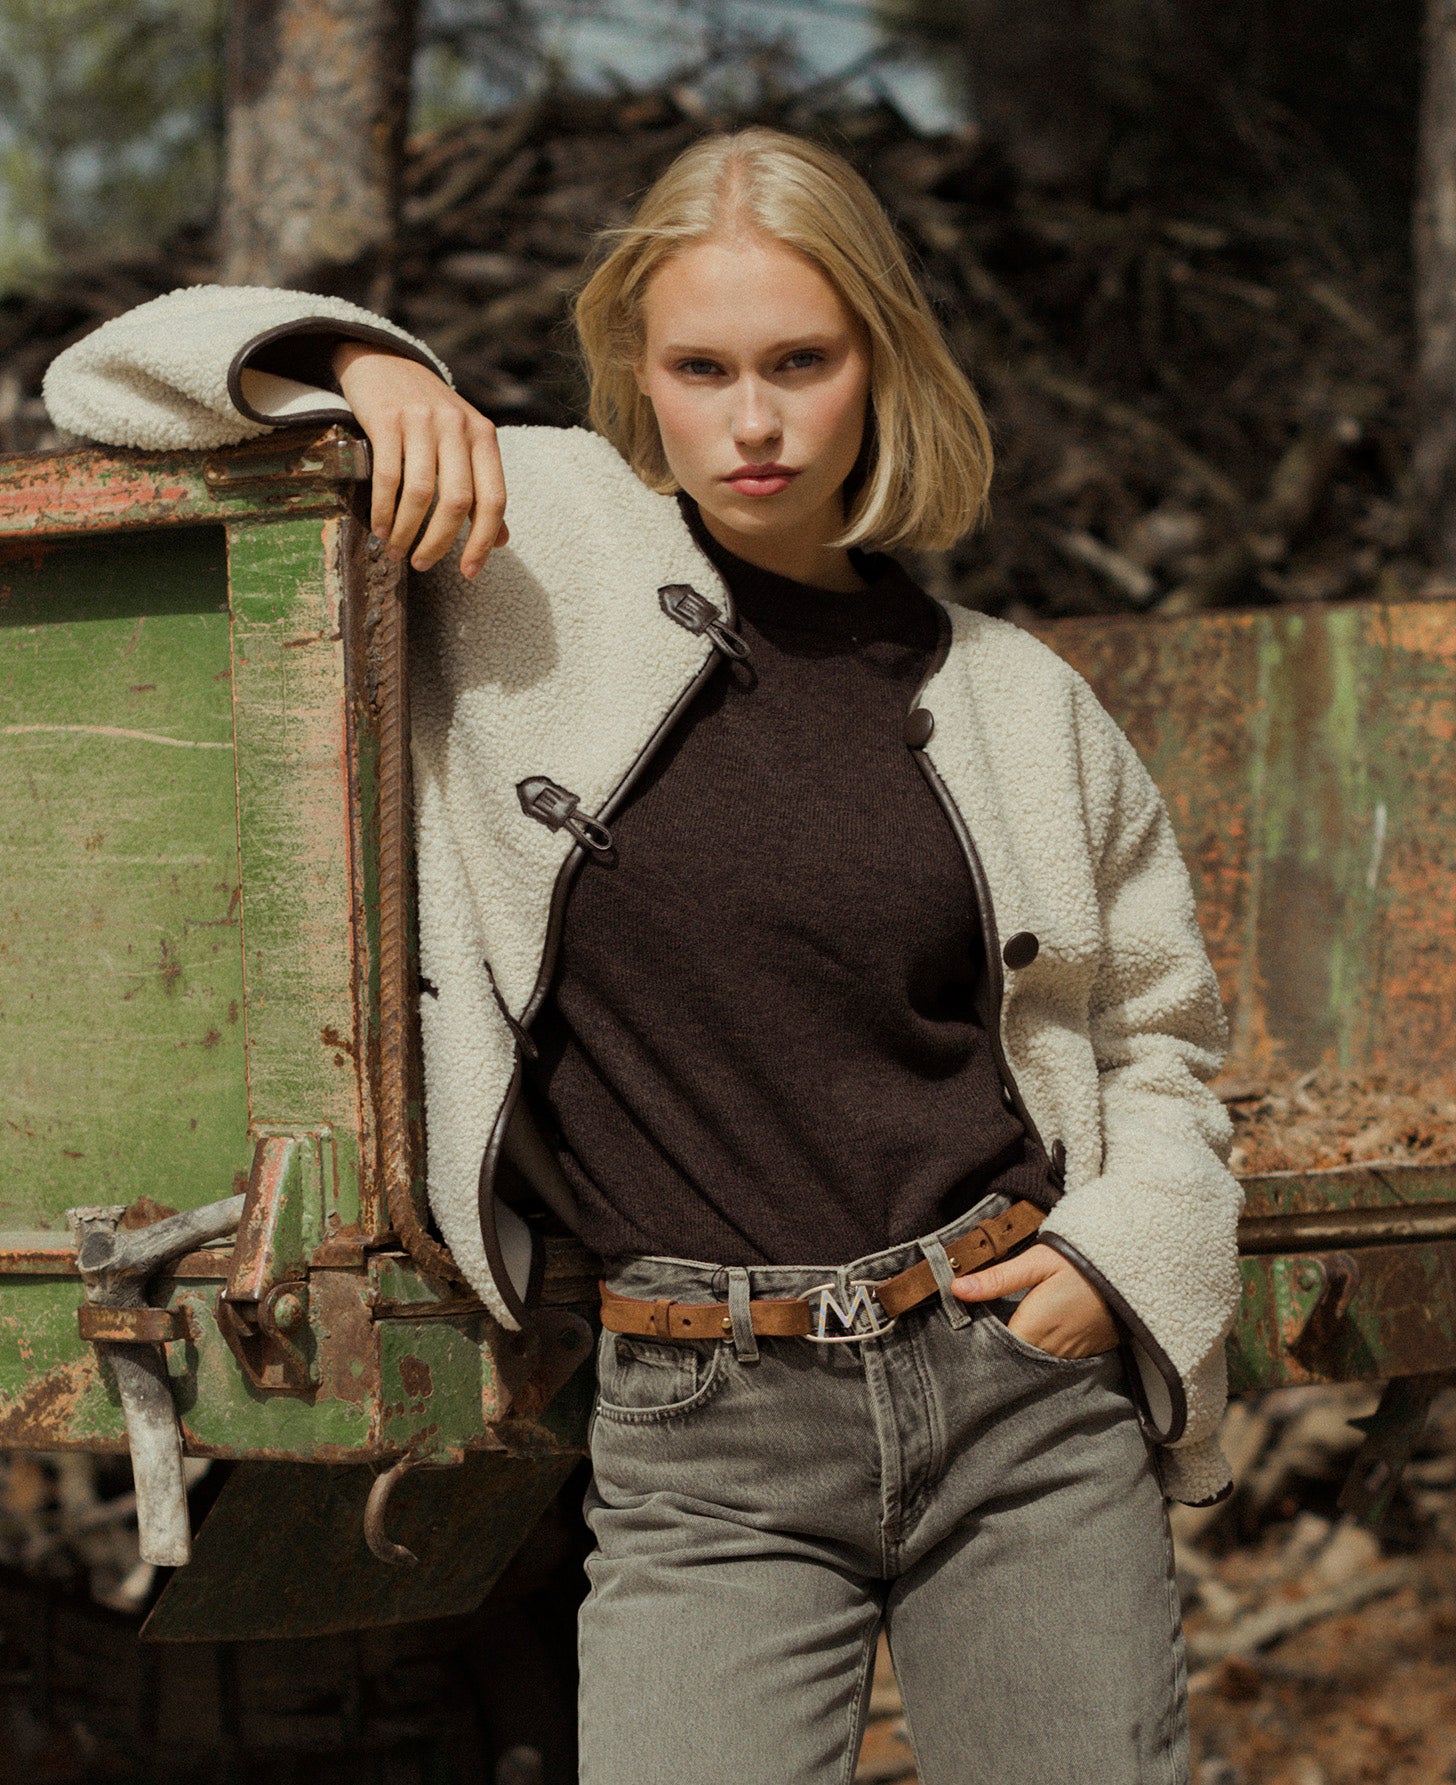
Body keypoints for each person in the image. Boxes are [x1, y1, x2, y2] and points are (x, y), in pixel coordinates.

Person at [46, 127, 1242, 1783]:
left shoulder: (1021, 700)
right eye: (703, 368)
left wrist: (1121, 1260)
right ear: (638, 370)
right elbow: (104, 383)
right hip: (704, 1428)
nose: (753, 421)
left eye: (802, 363)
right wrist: (366, 369)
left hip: (1014, 1391)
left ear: (882, 364)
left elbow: (1158, 1038)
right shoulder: (524, 549)